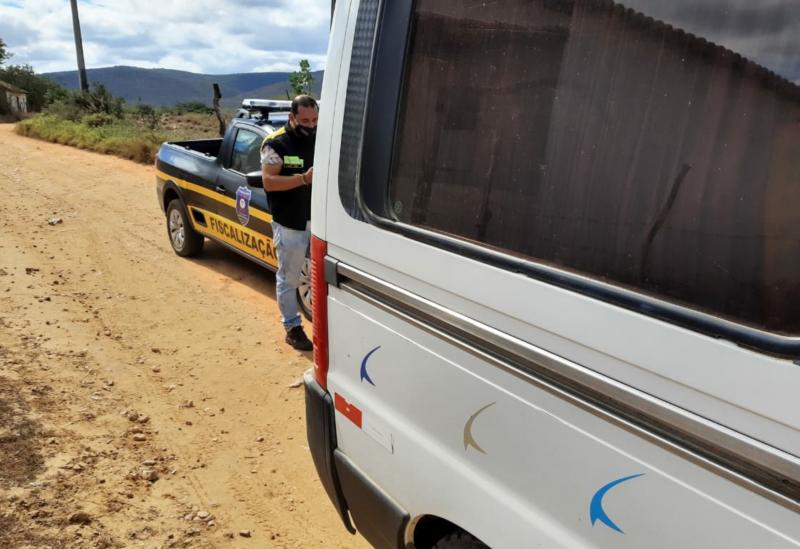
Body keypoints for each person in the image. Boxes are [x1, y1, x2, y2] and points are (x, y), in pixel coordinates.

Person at [261, 95, 318, 351]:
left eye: (315, 120)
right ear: (292, 118)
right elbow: (269, 182)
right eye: (305, 120)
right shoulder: (276, 144)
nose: (311, 125)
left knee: (320, 277)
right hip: (290, 223)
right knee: (289, 277)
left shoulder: (321, 136)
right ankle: (292, 328)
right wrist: (303, 179)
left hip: (318, 222)